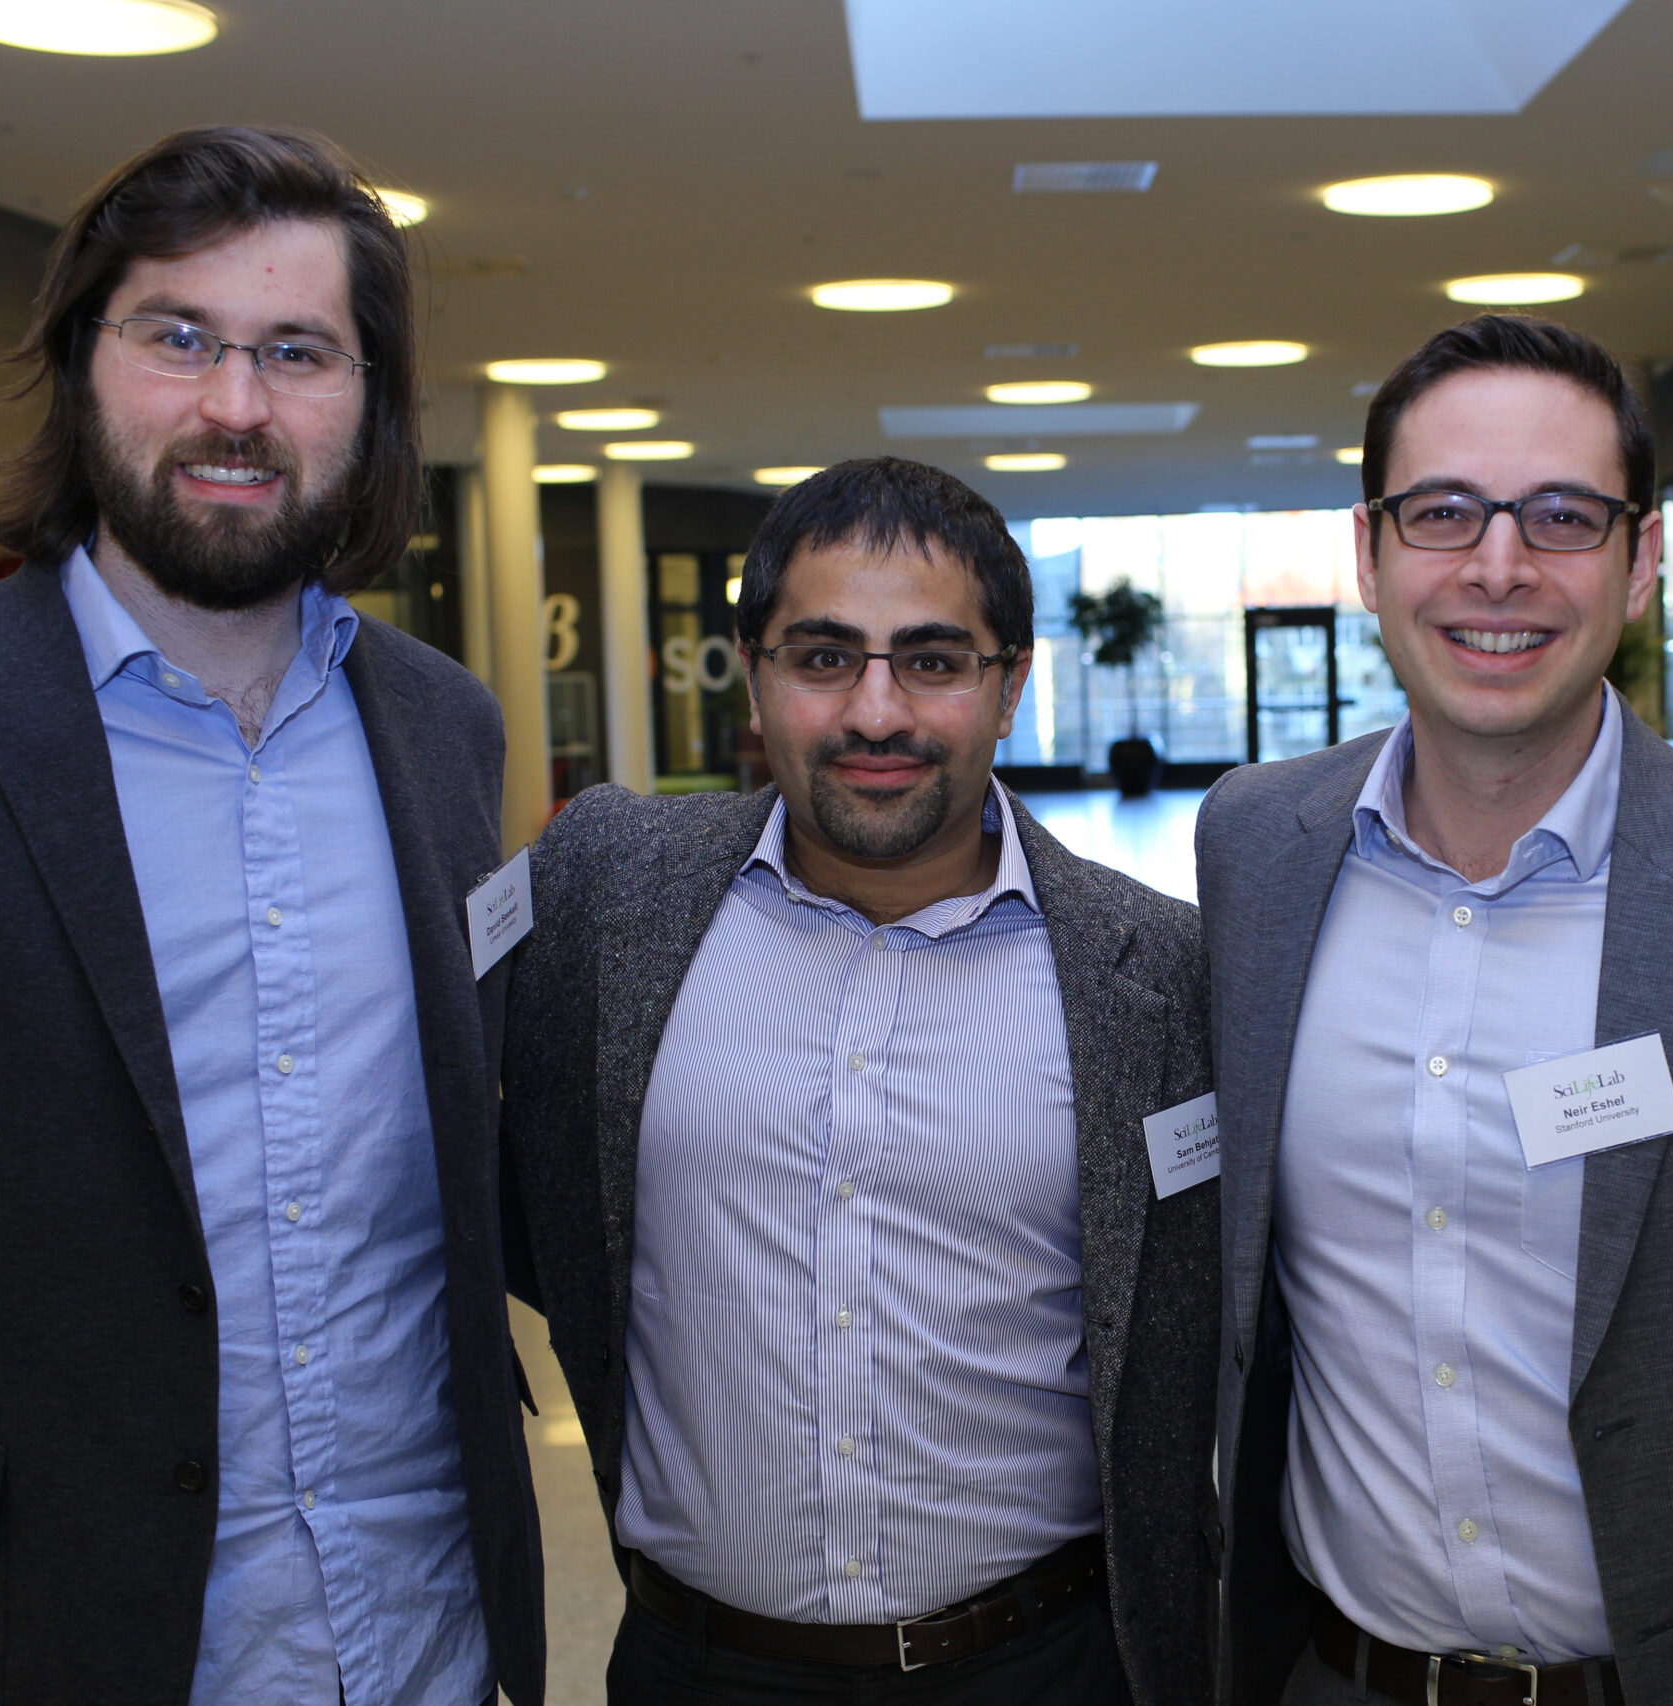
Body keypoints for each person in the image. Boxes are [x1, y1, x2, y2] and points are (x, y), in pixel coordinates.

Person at [0, 127, 542, 1705]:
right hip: (57, 1638)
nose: (234, 405)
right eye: (177, 336)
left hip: (422, 1634)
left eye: (297, 351)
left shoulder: (444, 729)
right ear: (83, 363)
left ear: (372, 400)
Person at [1197, 314, 1673, 1706]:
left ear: (1639, 565)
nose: (1498, 565)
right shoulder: (1257, 847)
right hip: (1337, 1672)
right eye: (1443, 510)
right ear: (1370, 555)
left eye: (1561, 514)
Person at [502, 456, 1220, 1706]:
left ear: (1012, 686)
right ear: (753, 670)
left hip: (1046, 1666)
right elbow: (523, 1196)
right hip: (695, 1666)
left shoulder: (1152, 969)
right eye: (824, 656)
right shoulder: (607, 893)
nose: (875, 712)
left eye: (934, 661)